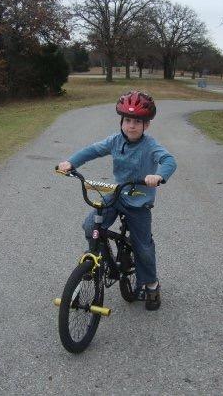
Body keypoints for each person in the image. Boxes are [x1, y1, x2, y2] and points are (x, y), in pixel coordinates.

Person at [57, 90, 177, 311]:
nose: (131, 126)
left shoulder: (150, 146)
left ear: (146, 125)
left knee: (143, 247)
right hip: (117, 194)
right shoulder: (115, 141)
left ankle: (151, 284)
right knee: (90, 225)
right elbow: (92, 150)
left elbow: (168, 160)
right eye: (128, 120)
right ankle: (99, 258)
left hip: (139, 201)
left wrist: (158, 175)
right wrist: (71, 163)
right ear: (122, 121)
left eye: (137, 122)